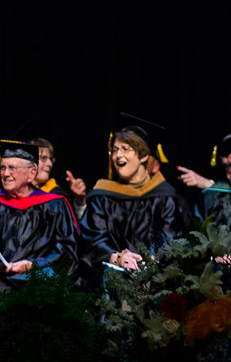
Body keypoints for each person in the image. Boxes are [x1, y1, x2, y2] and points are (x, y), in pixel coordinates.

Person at [77, 124, 187, 290]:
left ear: (143, 156)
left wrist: (152, 259)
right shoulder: (101, 196)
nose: (118, 155)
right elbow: (92, 239)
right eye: (115, 150)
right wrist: (118, 258)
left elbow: (173, 240)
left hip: (156, 284)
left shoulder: (165, 196)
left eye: (125, 149)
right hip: (110, 284)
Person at [0, 141, 77, 295]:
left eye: (12, 168)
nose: (5, 174)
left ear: (31, 173)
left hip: (40, 275)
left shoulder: (55, 205)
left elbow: (67, 252)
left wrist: (33, 265)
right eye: (3, 168)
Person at [28, 138, 88, 214]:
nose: (49, 164)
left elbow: (74, 223)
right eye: (43, 158)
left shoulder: (58, 197)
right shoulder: (15, 194)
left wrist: (80, 201)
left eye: (51, 159)